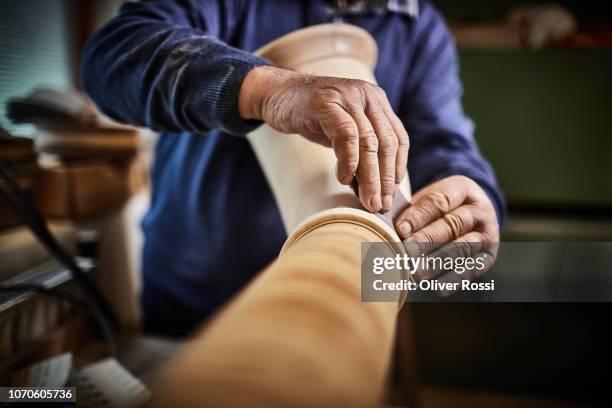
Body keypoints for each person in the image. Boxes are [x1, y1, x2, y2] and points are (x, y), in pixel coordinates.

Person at [82, 0, 505, 336]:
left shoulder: (418, 25)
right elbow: (112, 57)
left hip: (341, 306)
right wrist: (266, 89)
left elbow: (445, 142)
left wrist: (472, 197)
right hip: (195, 294)